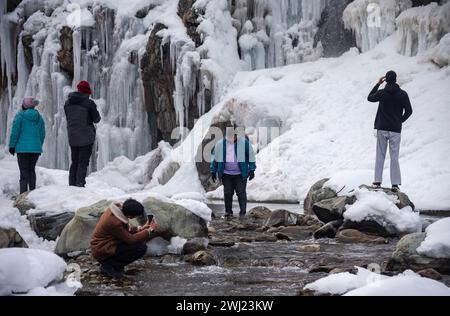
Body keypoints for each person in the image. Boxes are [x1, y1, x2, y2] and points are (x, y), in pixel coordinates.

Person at [368, 71, 413, 192]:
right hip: (395, 130)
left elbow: (370, 98)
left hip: (382, 128)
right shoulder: (403, 94)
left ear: (386, 80)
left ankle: (377, 182)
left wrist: (378, 84)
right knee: (394, 157)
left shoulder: (382, 93)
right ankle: (395, 185)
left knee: (380, 155)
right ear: (396, 79)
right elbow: (409, 111)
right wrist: (399, 121)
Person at [91, 199, 157, 278]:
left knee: (138, 244)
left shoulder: (115, 211)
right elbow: (131, 240)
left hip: (106, 245)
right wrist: (150, 230)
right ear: (130, 216)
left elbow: (124, 230)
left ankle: (113, 265)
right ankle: (109, 266)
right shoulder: (115, 222)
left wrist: (140, 228)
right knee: (140, 248)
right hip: (102, 250)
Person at [210, 125, 257, 219]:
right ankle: (228, 212)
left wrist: (252, 169)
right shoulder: (220, 144)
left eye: (232, 137)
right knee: (227, 193)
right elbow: (215, 158)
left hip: (240, 173)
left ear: (236, 136)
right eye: (228, 137)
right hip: (226, 173)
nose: (230, 139)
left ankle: (242, 213)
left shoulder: (244, 143)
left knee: (241, 193)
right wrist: (213, 170)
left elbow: (251, 156)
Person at [64, 81, 101, 187]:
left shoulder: (67, 103)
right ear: (87, 92)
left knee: (74, 161)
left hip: (72, 136)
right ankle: (80, 184)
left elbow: (69, 118)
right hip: (86, 137)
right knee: (83, 162)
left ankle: (72, 184)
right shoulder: (89, 104)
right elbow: (97, 119)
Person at [8, 97, 46, 194]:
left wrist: (12, 146)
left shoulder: (20, 116)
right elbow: (42, 134)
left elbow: (15, 133)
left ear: (24, 106)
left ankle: (23, 195)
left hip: (22, 150)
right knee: (31, 170)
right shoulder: (39, 118)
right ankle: (33, 194)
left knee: (24, 172)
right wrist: (38, 146)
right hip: (35, 150)